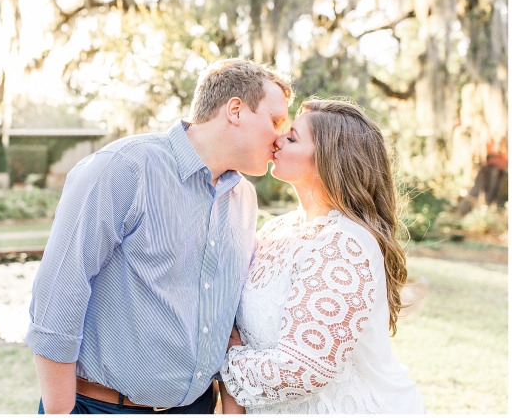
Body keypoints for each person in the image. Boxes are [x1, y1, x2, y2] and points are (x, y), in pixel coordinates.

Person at [25, 58, 292, 414]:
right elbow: (59, 293)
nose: (280, 137)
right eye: (275, 121)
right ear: (236, 110)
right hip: (104, 408)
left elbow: (227, 317)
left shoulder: (243, 198)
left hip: (197, 407)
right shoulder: (123, 168)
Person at [219, 98, 425, 414]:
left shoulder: (344, 243)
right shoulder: (277, 229)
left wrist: (224, 357)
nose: (276, 139)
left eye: (292, 137)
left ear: (329, 159)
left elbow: (303, 370)